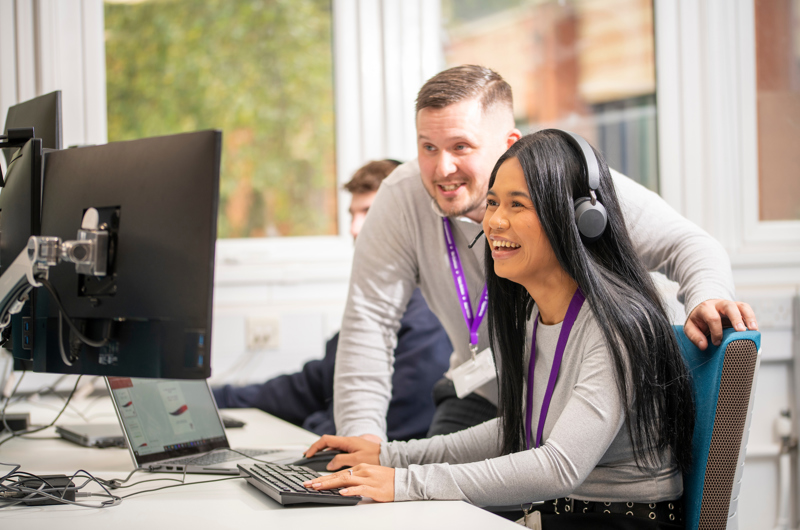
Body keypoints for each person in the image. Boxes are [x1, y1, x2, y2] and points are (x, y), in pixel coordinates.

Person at [333, 65, 756, 442]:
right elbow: (369, 323)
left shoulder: (569, 182)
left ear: (509, 143)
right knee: (427, 500)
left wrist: (707, 294)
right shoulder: (401, 196)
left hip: (581, 398)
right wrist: (362, 443)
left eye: (461, 146)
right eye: (428, 147)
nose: (442, 168)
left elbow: (689, 243)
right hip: (486, 393)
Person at [301, 130, 694, 529]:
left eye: (516, 205)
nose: (494, 222)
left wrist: (405, 482)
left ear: (575, 218)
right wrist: (389, 456)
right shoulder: (537, 317)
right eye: (492, 203)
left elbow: (558, 466)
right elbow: (517, 429)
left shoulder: (620, 325)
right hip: (565, 515)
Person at [212, 160, 452, 441]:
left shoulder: (429, 316)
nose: (354, 228)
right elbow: (305, 388)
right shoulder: (381, 302)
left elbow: (393, 429)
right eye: (352, 214)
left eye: (368, 212)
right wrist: (212, 397)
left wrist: (312, 426)